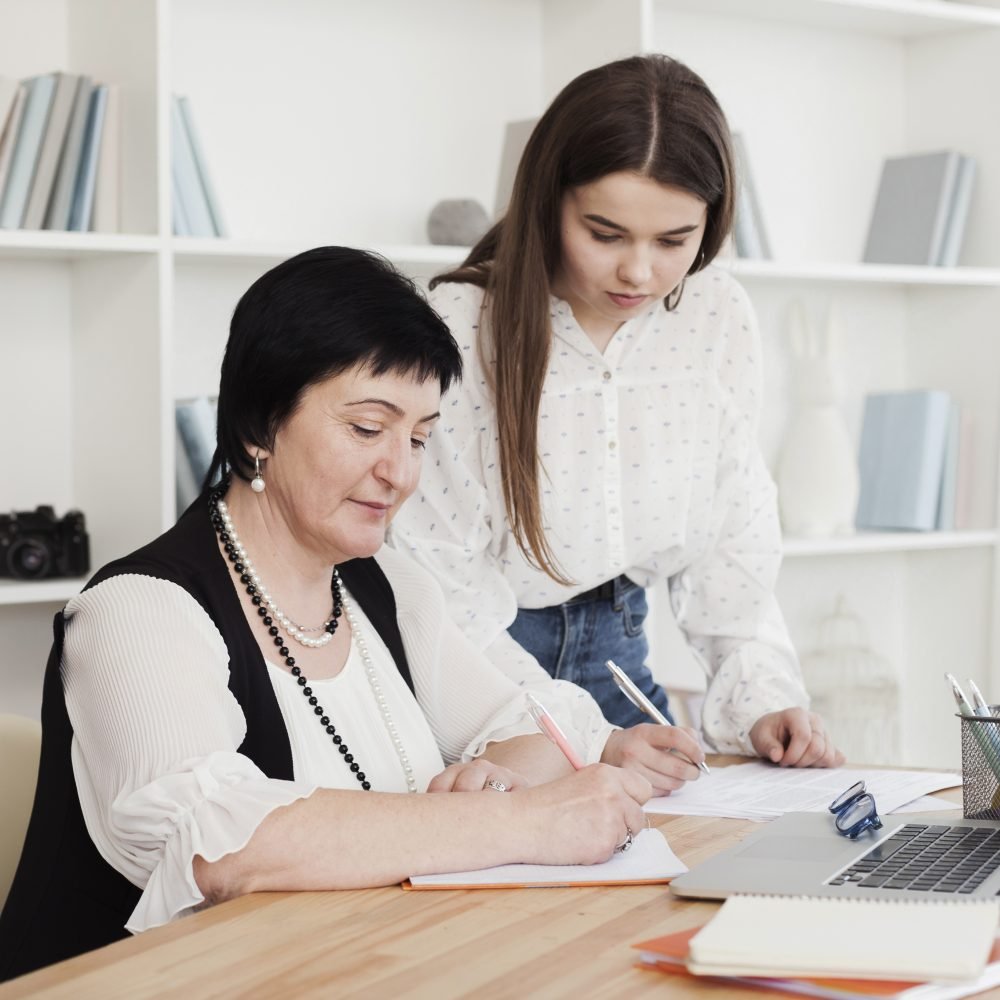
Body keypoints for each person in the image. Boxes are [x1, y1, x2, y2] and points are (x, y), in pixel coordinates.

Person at [0, 248, 652, 982]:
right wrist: (513, 821)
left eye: (418, 437)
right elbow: (222, 845)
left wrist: (492, 782)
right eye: (368, 429)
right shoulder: (138, 610)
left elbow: (537, 724)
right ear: (259, 423)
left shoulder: (393, 590)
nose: (400, 473)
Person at [389, 54, 845, 779]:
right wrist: (579, 733)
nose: (639, 272)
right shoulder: (461, 324)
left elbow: (732, 546)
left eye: (674, 241)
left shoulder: (716, 314)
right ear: (549, 202)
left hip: (621, 664)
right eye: (605, 234)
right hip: (483, 680)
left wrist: (764, 702)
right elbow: (440, 585)